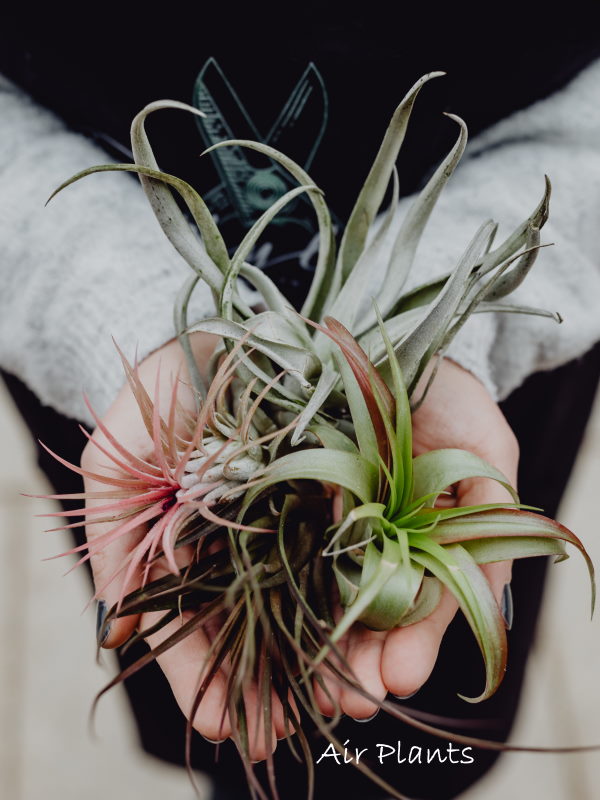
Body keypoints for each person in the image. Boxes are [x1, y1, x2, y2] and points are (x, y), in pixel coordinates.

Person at [1, 8, 599, 799]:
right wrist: (128, 318)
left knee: (415, 728)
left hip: (455, 396)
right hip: (142, 408)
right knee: (231, 708)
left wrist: (442, 328)